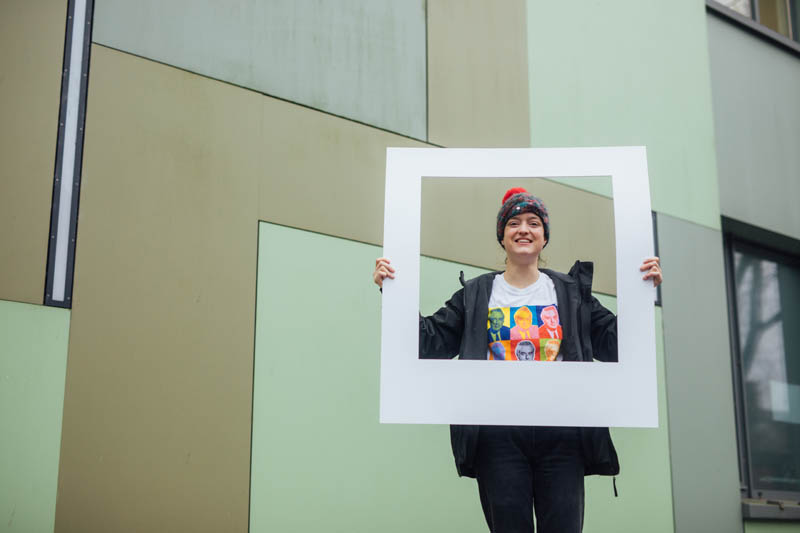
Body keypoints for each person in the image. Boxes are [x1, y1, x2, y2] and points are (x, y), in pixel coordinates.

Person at [373, 187, 662, 533]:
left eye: (533, 222)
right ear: (502, 236)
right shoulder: (476, 294)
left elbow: (618, 346)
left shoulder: (571, 293)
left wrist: (643, 293)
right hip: (498, 438)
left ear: (544, 237)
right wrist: (393, 293)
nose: (524, 229)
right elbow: (429, 342)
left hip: (563, 435)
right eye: (513, 222)